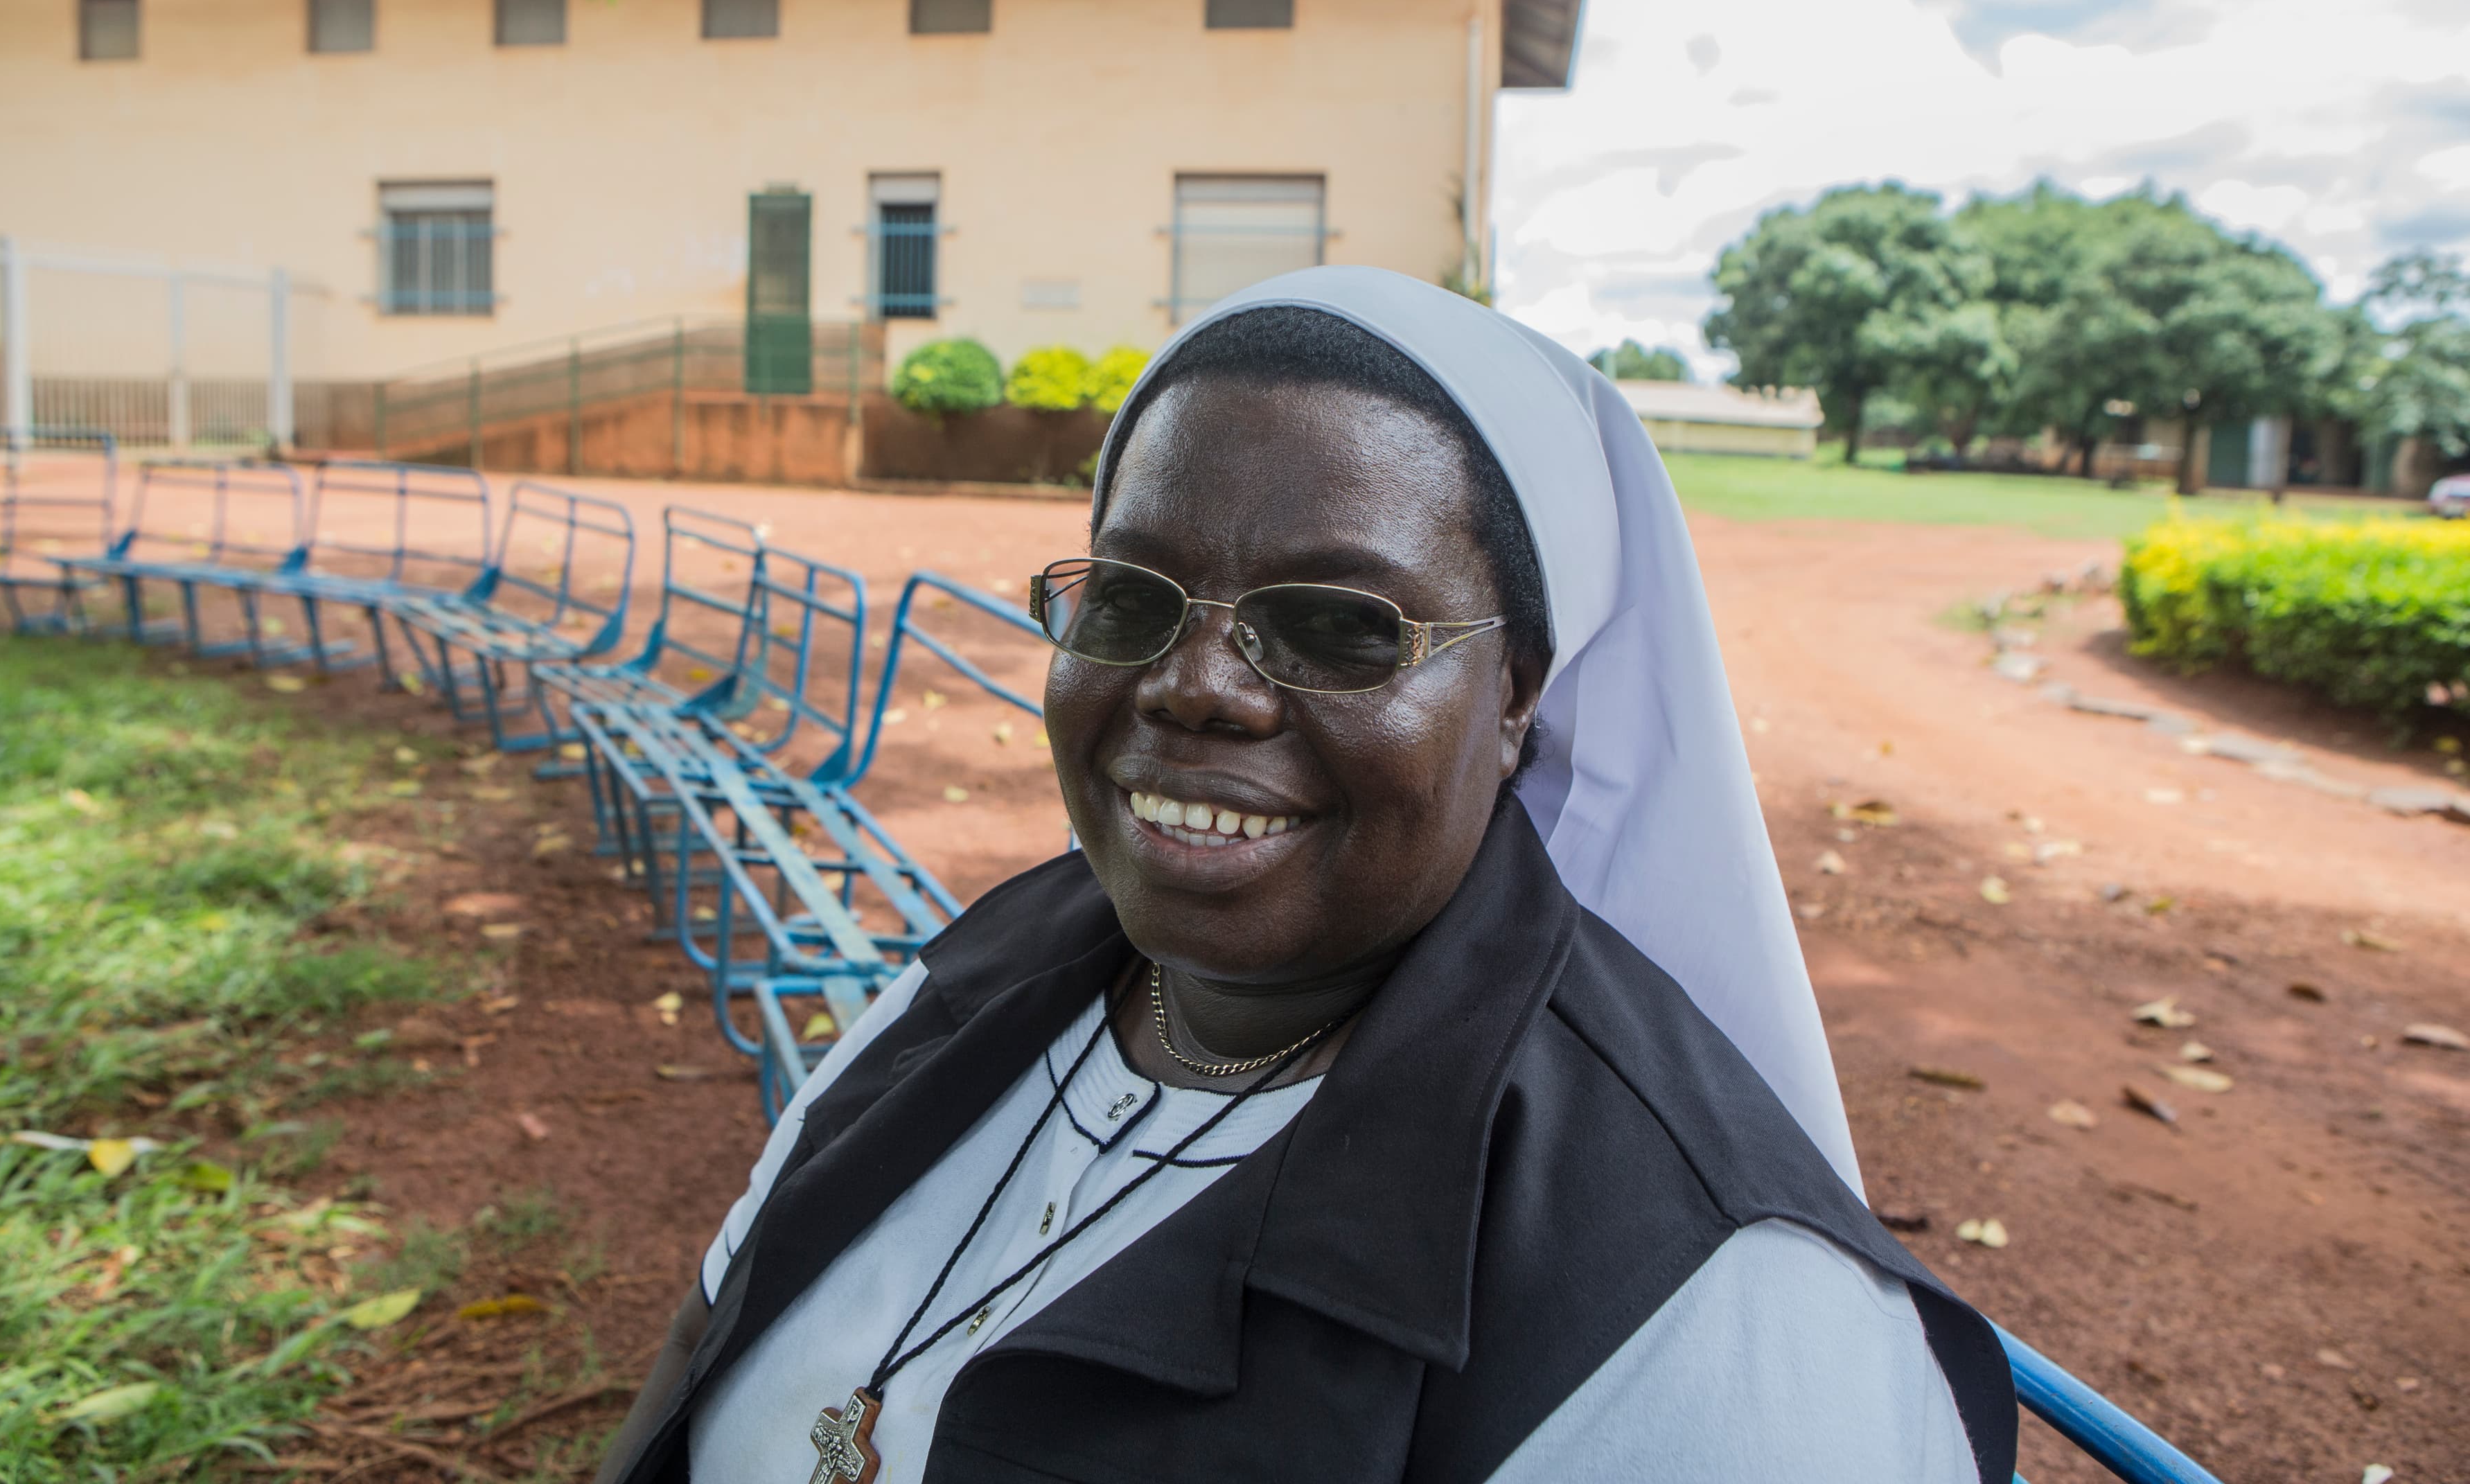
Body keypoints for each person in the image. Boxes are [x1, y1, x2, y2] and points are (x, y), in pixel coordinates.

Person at [596, 268, 2017, 1484]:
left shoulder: (1703, 1298)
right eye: (1130, 596)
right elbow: (714, 1322)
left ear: (1518, 692)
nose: (1195, 684)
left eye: (1339, 624)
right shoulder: (992, 967)